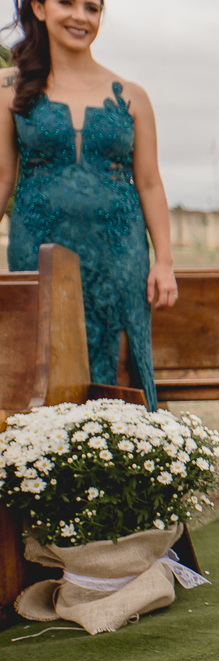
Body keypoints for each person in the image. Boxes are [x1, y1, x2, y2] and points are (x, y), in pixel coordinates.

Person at [0, 0, 176, 410]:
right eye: (67, 4)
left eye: (93, 8)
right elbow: (3, 177)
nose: (81, 16)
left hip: (119, 251)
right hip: (39, 247)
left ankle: (119, 467)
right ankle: (47, 468)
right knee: (43, 359)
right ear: (40, 9)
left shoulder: (133, 97)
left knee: (117, 364)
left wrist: (164, 260)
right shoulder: (8, 87)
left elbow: (149, 183)